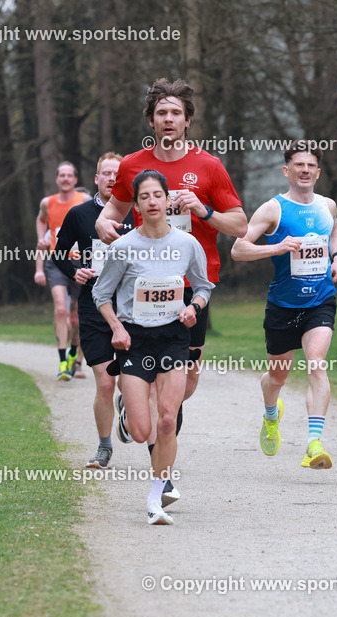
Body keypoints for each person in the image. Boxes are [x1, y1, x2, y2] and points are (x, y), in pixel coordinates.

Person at [95, 77, 247, 443]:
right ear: (151, 121)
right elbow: (111, 212)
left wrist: (205, 212)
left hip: (192, 286)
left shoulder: (209, 166)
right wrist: (103, 226)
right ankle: (158, 470)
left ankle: (141, 416)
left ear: (187, 121)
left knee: (186, 380)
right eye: (161, 112)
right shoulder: (133, 166)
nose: (168, 119)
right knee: (156, 387)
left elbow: (240, 225)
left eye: (175, 113)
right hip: (143, 284)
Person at [92, 170, 213, 524]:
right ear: (136, 205)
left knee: (166, 422)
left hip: (174, 337)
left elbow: (204, 286)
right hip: (134, 338)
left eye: (157, 195)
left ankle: (155, 499)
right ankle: (128, 414)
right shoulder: (122, 247)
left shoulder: (188, 244)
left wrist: (194, 308)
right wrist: (116, 328)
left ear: (167, 199)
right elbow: (101, 294)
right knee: (143, 431)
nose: (152, 202)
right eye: (144, 197)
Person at [230, 141, 337, 469]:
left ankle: (313, 444)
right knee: (277, 377)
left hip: (320, 299)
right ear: (287, 170)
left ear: (318, 172)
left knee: (316, 364)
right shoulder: (272, 210)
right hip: (282, 305)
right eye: (298, 165)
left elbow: (335, 231)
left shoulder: (328, 206)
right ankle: (270, 414)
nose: (305, 170)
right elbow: (238, 250)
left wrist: (336, 258)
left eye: (310, 166)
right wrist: (277, 248)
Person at [51, 152, 133, 468]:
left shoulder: (138, 212)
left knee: (130, 377)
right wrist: (75, 271)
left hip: (131, 307)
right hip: (93, 304)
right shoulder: (79, 214)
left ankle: (130, 402)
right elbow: (59, 255)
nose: (113, 179)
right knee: (105, 381)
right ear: (97, 179)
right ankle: (104, 448)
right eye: (107, 174)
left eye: (118, 174)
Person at [35, 161, 88, 381]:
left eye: (69, 175)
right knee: (60, 309)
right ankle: (62, 361)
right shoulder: (47, 202)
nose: (65, 179)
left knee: (77, 319)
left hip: (80, 263)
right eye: (62, 175)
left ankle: (76, 355)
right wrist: (40, 238)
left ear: (75, 180)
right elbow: (40, 220)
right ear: (57, 179)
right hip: (56, 261)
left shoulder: (83, 200)